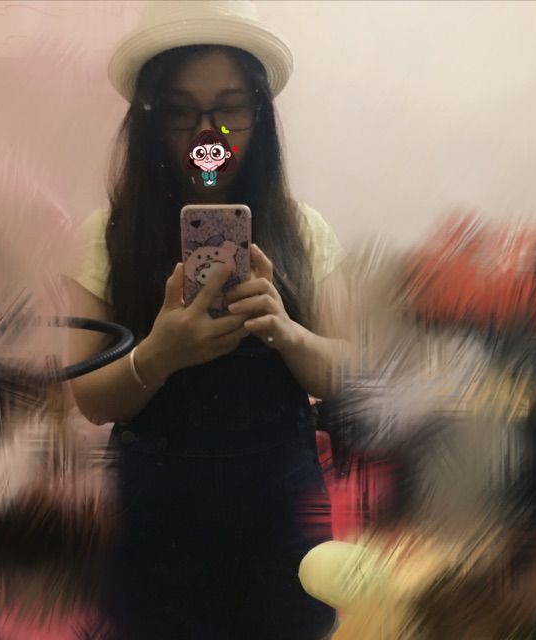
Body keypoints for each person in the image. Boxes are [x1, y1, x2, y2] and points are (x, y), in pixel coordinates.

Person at [65, 1, 348, 638]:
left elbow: (343, 373)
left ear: (259, 114)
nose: (207, 133)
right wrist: (157, 356)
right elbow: (90, 400)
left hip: (281, 503)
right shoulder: (104, 236)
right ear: (150, 120)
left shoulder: (303, 230)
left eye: (230, 108)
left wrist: (286, 332)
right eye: (180, 111)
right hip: (156, 511)